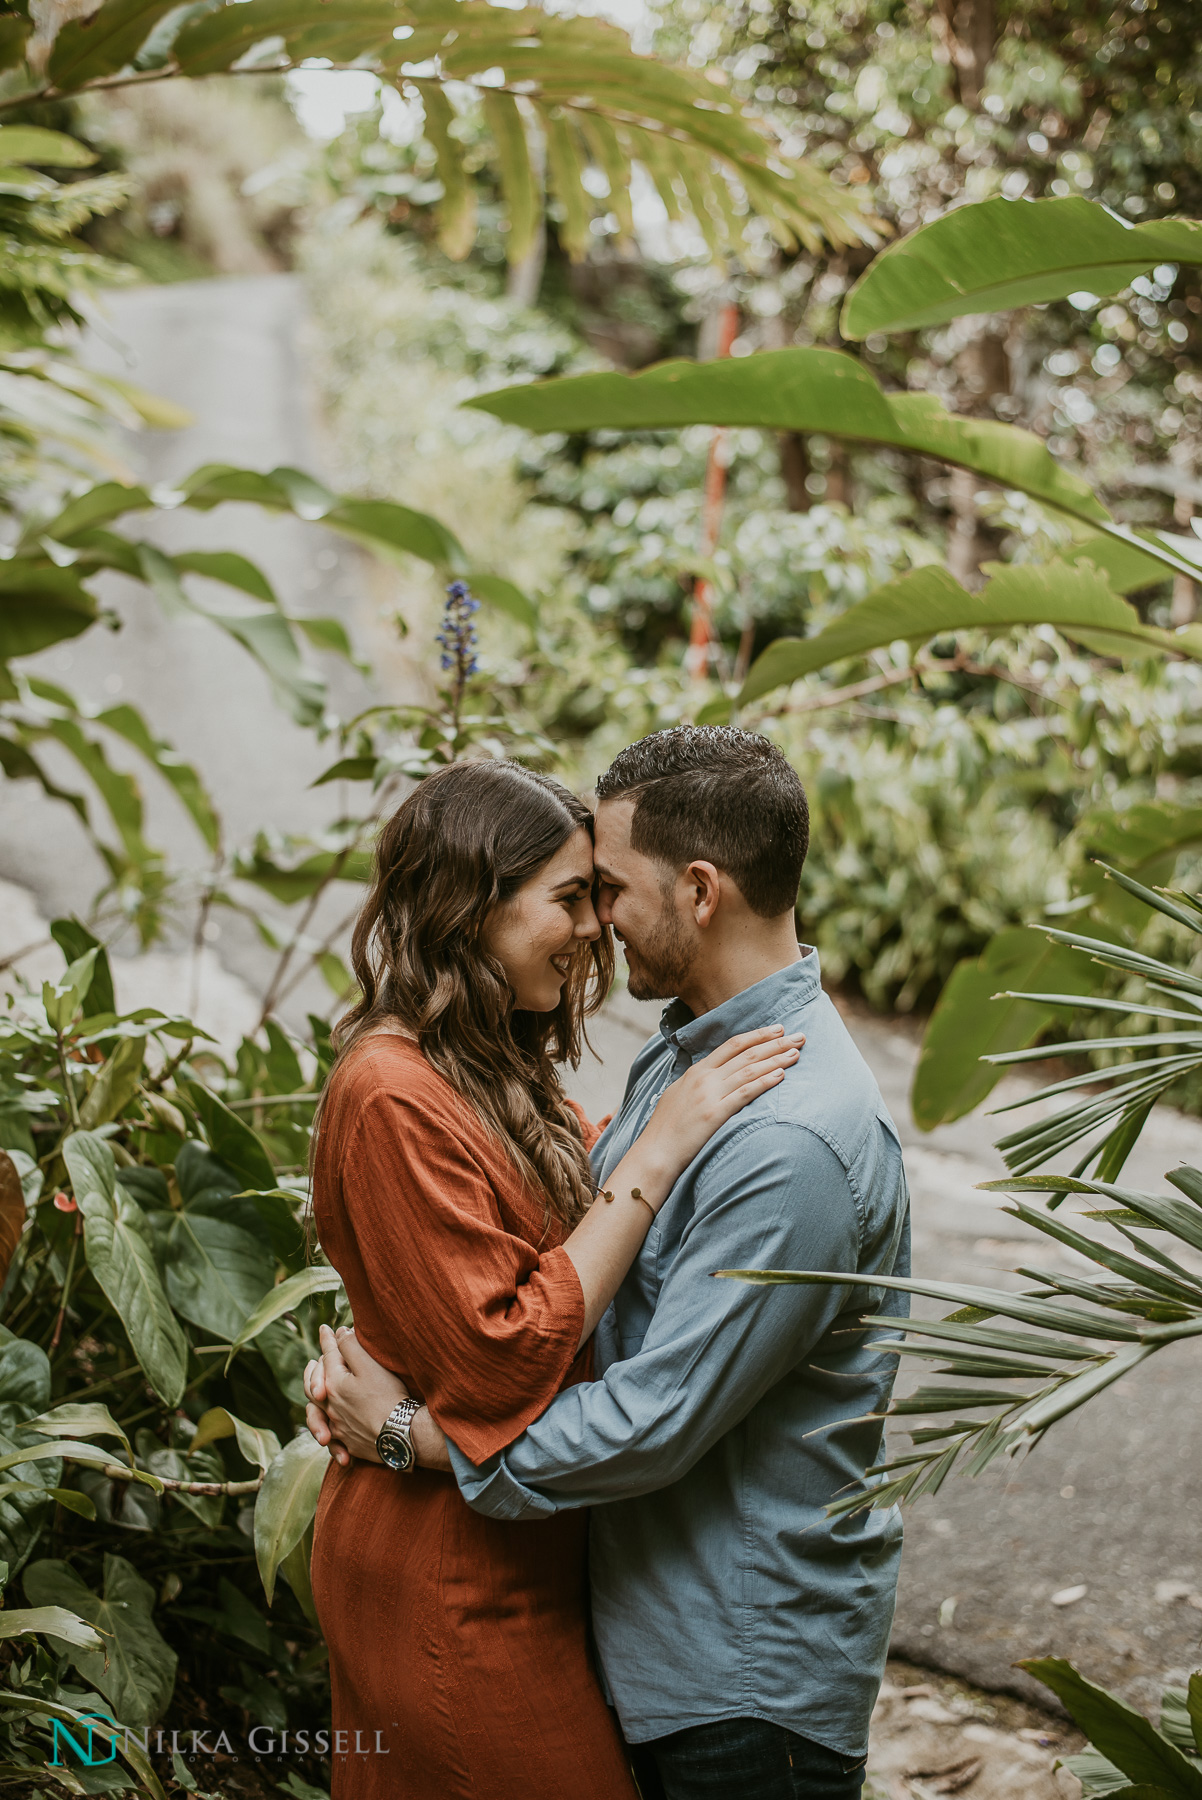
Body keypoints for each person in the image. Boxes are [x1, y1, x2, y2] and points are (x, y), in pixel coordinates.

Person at [309, 726, 912, 1800]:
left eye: (609, 890)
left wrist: (412, 1435)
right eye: (574, 895)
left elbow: (654, 1419)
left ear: (696, 888)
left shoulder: (785, 1136)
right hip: (649, 1643)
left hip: (734, 1681)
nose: (596, 927)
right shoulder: (690, 1059)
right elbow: (523, 1255)